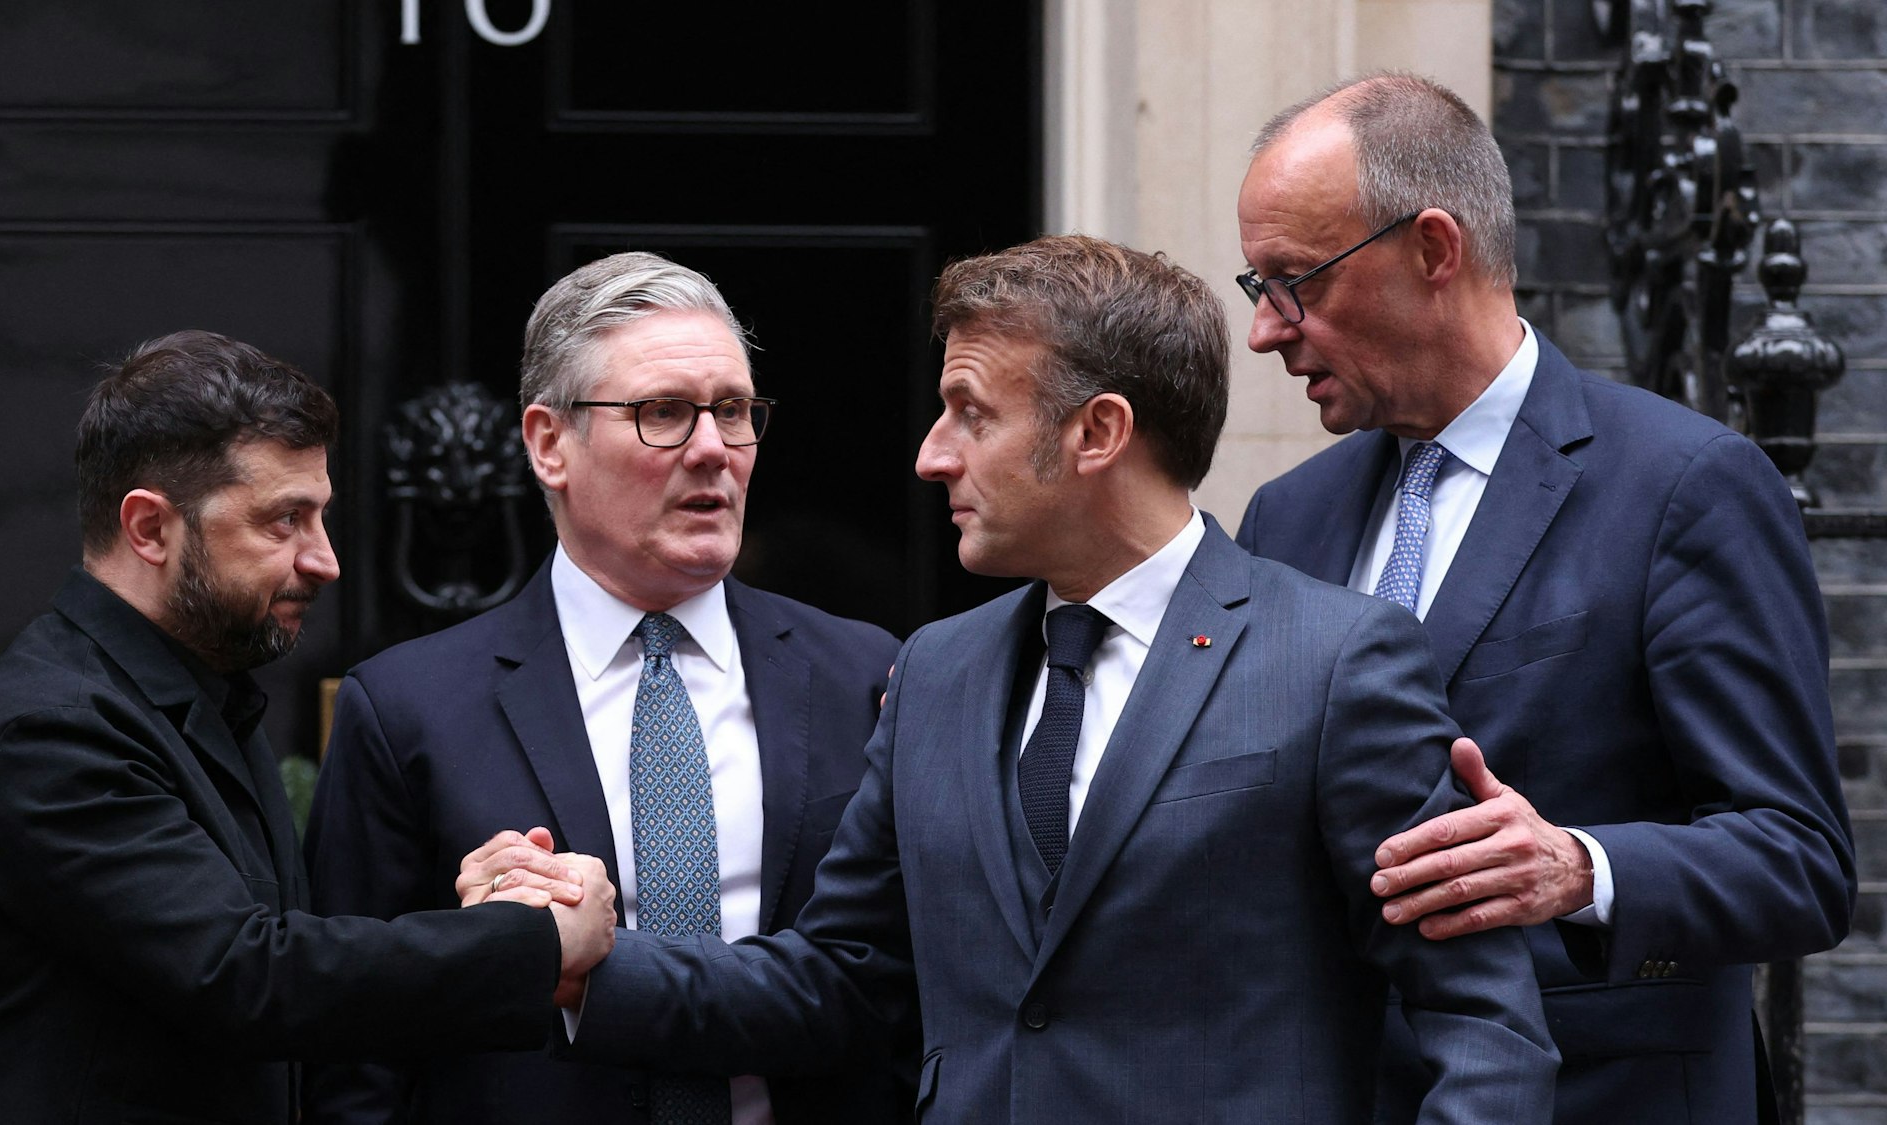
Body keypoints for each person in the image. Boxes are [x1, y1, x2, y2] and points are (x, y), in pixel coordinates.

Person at [550, 235, 1559, 1122]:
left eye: (968, 413)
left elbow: (1480, 1024)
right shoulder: (934, 673)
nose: (929, 456)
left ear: (1097, 433)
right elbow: (840, 980)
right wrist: (583, 967)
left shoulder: (1334, 661)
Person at [1231, 73, 1855, 1124]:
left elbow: (1797, 862)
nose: (1265, 331)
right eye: (1256, 286)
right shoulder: (1285, 518)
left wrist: (1579, 866)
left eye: (1296, 283)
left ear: (1433, 250)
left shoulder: (1680, 486)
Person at [0, 331, 616, 1124]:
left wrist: (485, 910)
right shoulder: (48, 728)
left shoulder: (195, 694)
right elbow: (247, 976)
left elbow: (273, 952)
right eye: (285, 521)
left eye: (321, 517)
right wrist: (534, 940)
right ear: (148, 527)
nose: (326, 559)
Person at [302, 252, 904, 1125]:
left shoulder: (864, 675)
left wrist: (587, 966)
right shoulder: (406, 709)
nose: (711, 450)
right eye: (662, 412)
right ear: (550, 442)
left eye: (733, 412)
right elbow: (355, 1048)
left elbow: (902, 987)